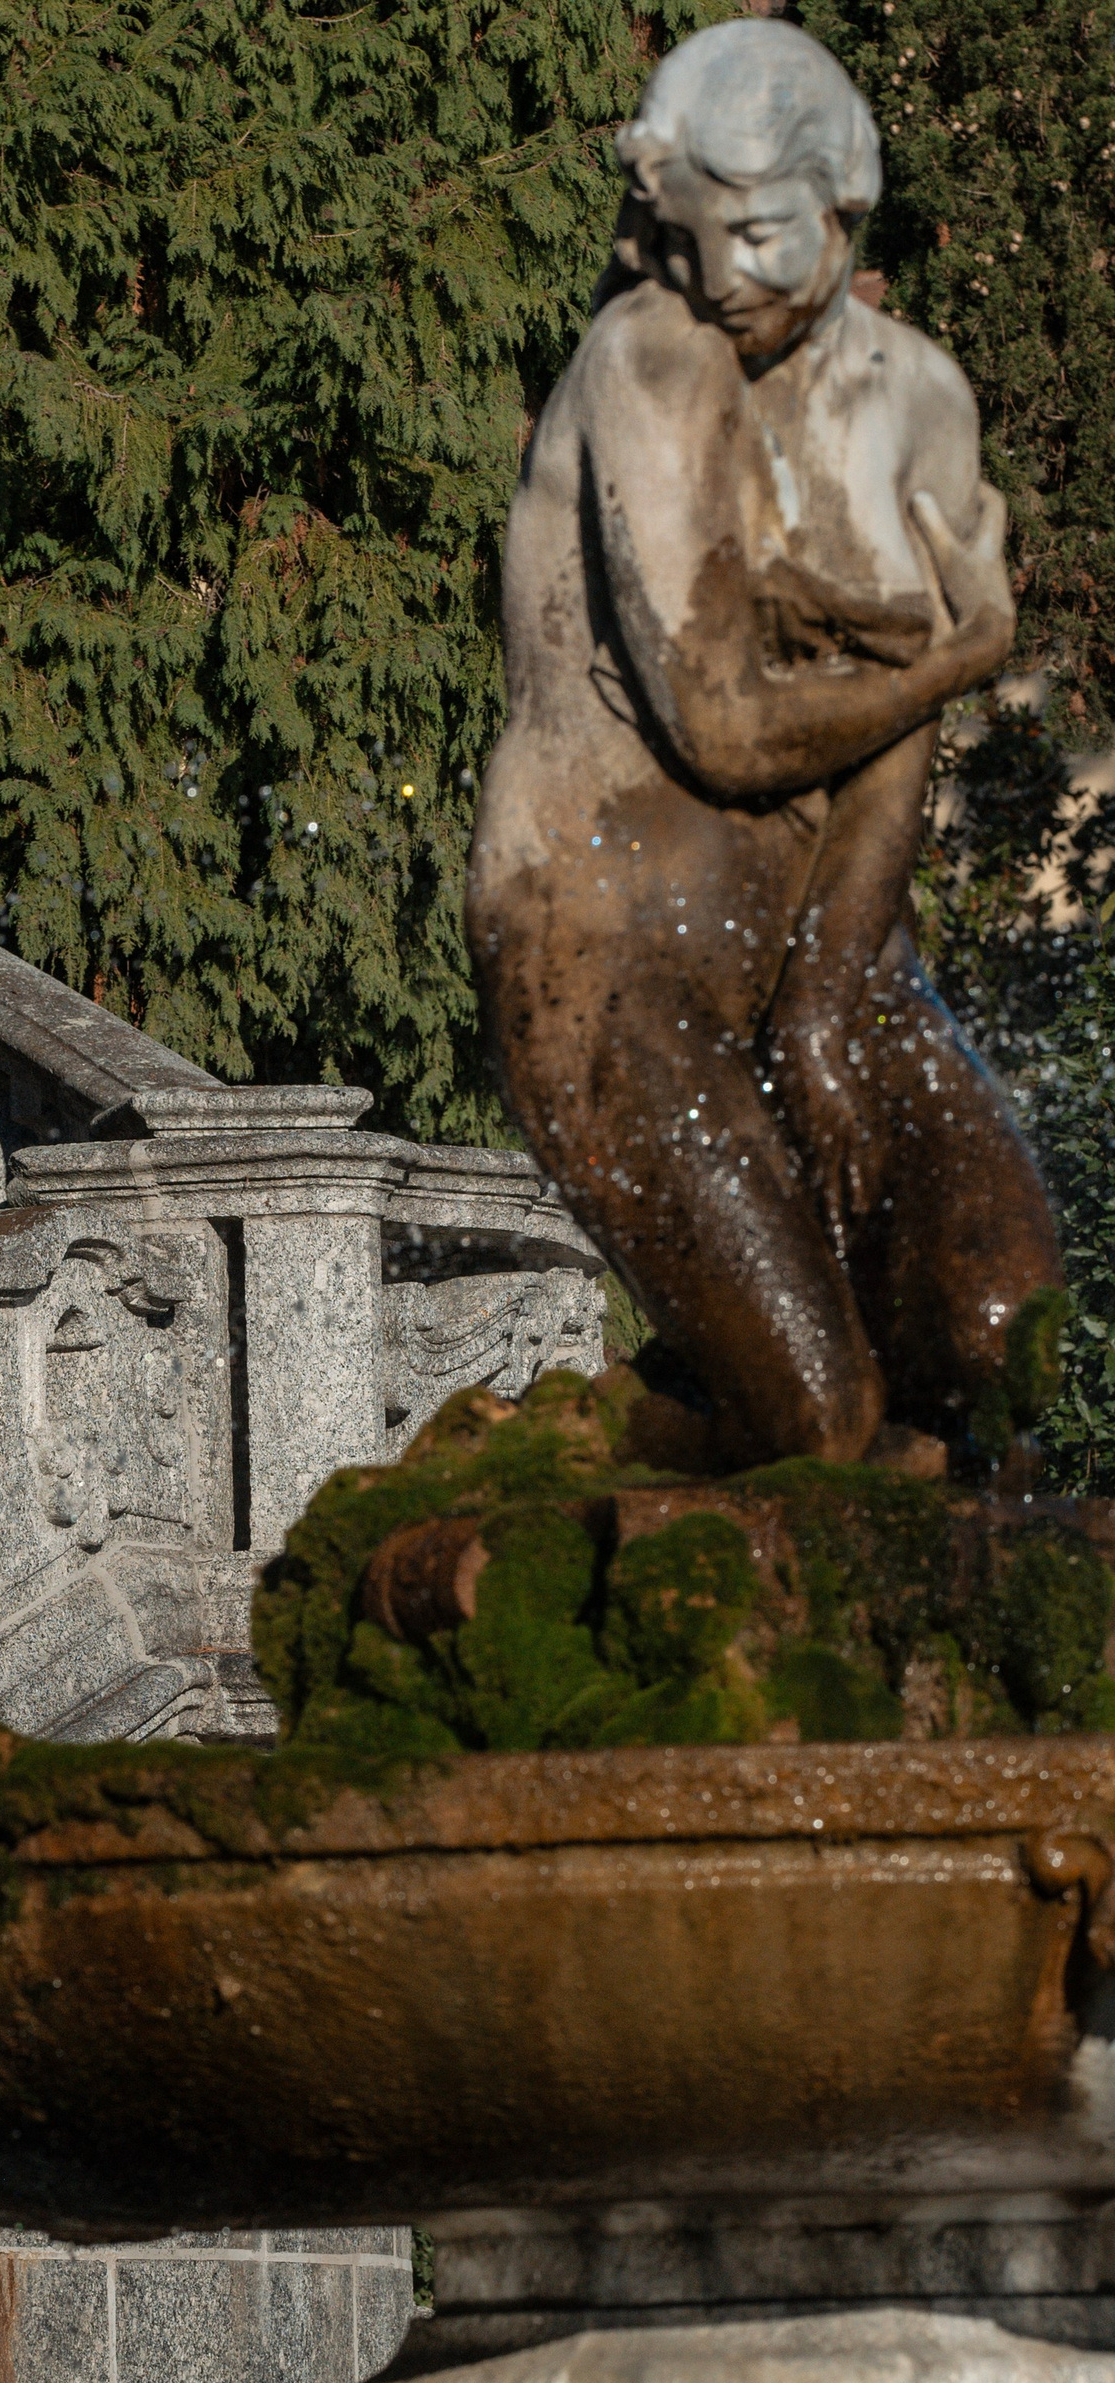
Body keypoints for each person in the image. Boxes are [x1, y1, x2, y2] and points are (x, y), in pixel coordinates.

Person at [465, 19, 1061, 1470]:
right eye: (695, 235)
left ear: (843, 211)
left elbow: (895, 723)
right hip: (604, 953)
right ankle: (569, 1468)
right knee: (821, 1415)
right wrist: (969, 651)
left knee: (1002, 1342)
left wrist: (834, 982)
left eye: (768, 238)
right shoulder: (653, 359)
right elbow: (725, 732)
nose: (725, 277)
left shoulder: (907, 393)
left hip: (829, 946)